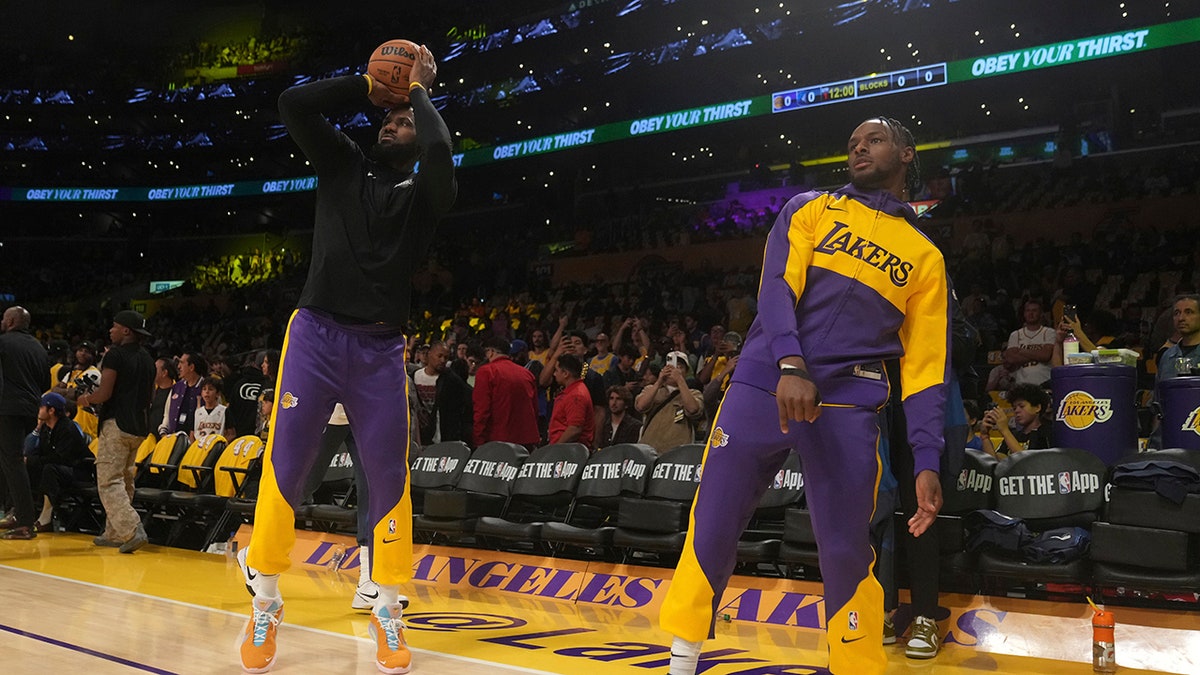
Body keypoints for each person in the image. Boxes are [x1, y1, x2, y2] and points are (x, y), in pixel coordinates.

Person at [660, 116, 951, 675]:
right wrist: (790, 363)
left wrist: (927, 458)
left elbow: (926, 370)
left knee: (845, 550)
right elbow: (775, 286)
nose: (858, 147)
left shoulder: (925, 256)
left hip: (847, 398)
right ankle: (682, 660)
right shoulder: (809, 207)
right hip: (764, 380)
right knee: (714, 519)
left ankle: (858, 666)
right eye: (852, 141)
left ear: (908, 154)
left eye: (874, 139)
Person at [235, 41, 454, 675]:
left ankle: (388, 608)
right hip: (315, 335)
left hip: (381, 348)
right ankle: (267, 601)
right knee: (287, 466)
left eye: (403, 120)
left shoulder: (426, 193)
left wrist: (417, 89)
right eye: (388, 118)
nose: (393, 124)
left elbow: (439, 149)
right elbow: (293, 103)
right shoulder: (343, 164)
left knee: (388, 479)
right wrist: (369, 86)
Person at [77, 310, 156, 552]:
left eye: (114, 326)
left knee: (109, 481)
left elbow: (105, 393)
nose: (110, 330)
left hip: (116, 424)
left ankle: (132, 529)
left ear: (126, 330)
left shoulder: (115, 356)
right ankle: (114, 532)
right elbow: (151, 396)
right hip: (139, 427)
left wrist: (85, 400)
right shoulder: (148, 359)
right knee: (125, 479)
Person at [0, 307, 50, 540]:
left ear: (10, 321)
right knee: (10, 461)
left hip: (7, 409)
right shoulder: (38, 347)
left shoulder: (4, 343)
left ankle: (25, 523)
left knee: (13, 462)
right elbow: (44, 382)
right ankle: (16, 512)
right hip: (30, 409)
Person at [26, 392, 90, 532]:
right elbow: (39, 452)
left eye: (41, 407)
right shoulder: (45, 428)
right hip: (60, 469)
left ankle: (45, 518)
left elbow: (61, 458)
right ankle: (22, 513)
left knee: (50, 469)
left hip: (79, 471)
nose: (38, 410)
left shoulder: (67, 428)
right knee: (26, 466)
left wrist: (33, 460)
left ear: (51, 410)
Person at [472, 336, 540, 448]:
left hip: (498, 441)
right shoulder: (526, 374)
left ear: (490, 352)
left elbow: (482, 410)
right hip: (526, 441)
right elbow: (534, 409)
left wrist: (478, 440)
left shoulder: (486, 372)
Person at [634, 351, 704, 454]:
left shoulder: (693, 393)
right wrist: (659, 382)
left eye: (679, 367)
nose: (674, 370)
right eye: (671, 366)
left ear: (686, 371)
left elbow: (693, 409)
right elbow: (641, 406)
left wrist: (680, 380)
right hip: (649, 450)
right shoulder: (651, 389)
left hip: (677, 453)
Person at [412, 342, 472, 445]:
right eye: (439, 356)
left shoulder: (452, 380)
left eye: (446, 357)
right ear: (430, 354)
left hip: (442, 437)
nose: (443, 360)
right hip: (419, 435)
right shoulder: (414, 376)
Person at [980, 383, 1052, 458]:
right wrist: (985, 436)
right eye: (1014, 408)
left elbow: (1028, 463)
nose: (1017, 411)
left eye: (1021, 406)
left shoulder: (1046, 433)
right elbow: (995, 463)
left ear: (1037, 407)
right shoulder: (1013, 435)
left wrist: (1004, 430)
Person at [546, 354, 595, 448]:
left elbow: (574, 429)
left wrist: (555, 449)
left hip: (569, 452)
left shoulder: (576, 395)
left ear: (565, 374)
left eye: (556, 370)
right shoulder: (573, 391)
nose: (554, 374)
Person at [1002, 299, 1055, 386]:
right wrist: (1038, 355)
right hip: (1022, 383)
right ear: (1024, 314)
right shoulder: (1015, 335)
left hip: (1045, 381)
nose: (1031, 313)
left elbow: (1045, 356)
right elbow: (1011, 359)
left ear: (1041, 313)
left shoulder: (1049, 332)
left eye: (1034, 310)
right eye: (1028, 310)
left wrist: (1021, 351)